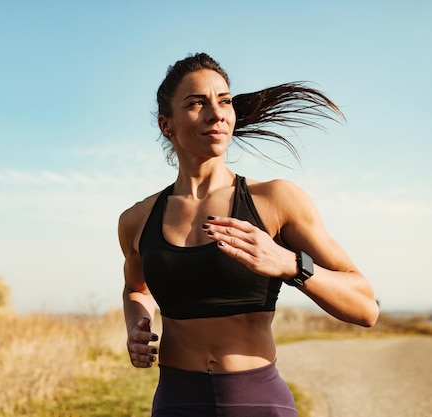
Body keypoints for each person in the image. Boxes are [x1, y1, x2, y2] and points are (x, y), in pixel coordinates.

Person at [118, 53, 379, 417]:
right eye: (197, 103)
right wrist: (137, 325)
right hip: (176, 401)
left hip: (256, 400)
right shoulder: (137, 219)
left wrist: (289, 264)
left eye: (224, 100)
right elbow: (137, 289)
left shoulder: (274, 200)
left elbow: (366, 308)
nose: (217, 113)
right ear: (167, 124)